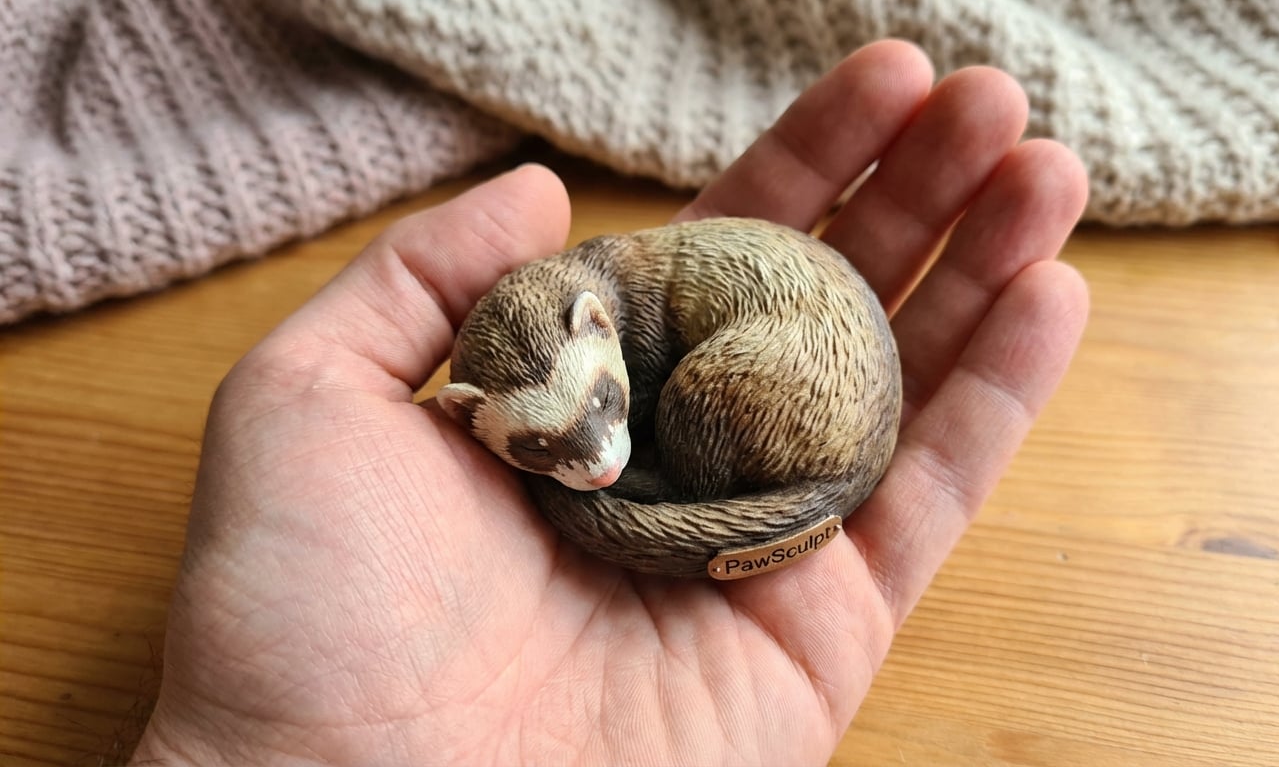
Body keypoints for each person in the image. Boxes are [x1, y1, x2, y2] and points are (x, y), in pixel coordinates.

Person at [130, 40, 1088, 765]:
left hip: (794, 385)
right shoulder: (592, 333)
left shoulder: (622, 308)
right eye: (543, 452)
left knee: (711, 403)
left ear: (599, 326)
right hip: (809, 410)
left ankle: (708, 484)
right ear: (464, 418)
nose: (593, 459)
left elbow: (628, 423)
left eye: (599, 408)